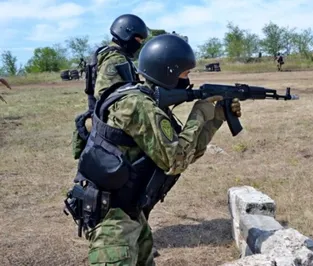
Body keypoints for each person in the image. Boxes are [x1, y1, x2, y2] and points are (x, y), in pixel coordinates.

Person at [65, 34, 241, 266]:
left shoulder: (148, 101)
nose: (188, 80)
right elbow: (174, 161)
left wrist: (215, 118)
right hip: (113, 223)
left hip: (130, 212)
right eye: (185, 73)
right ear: (168, 71)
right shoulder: (139, 105)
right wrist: (199, 114)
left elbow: (185, 153)